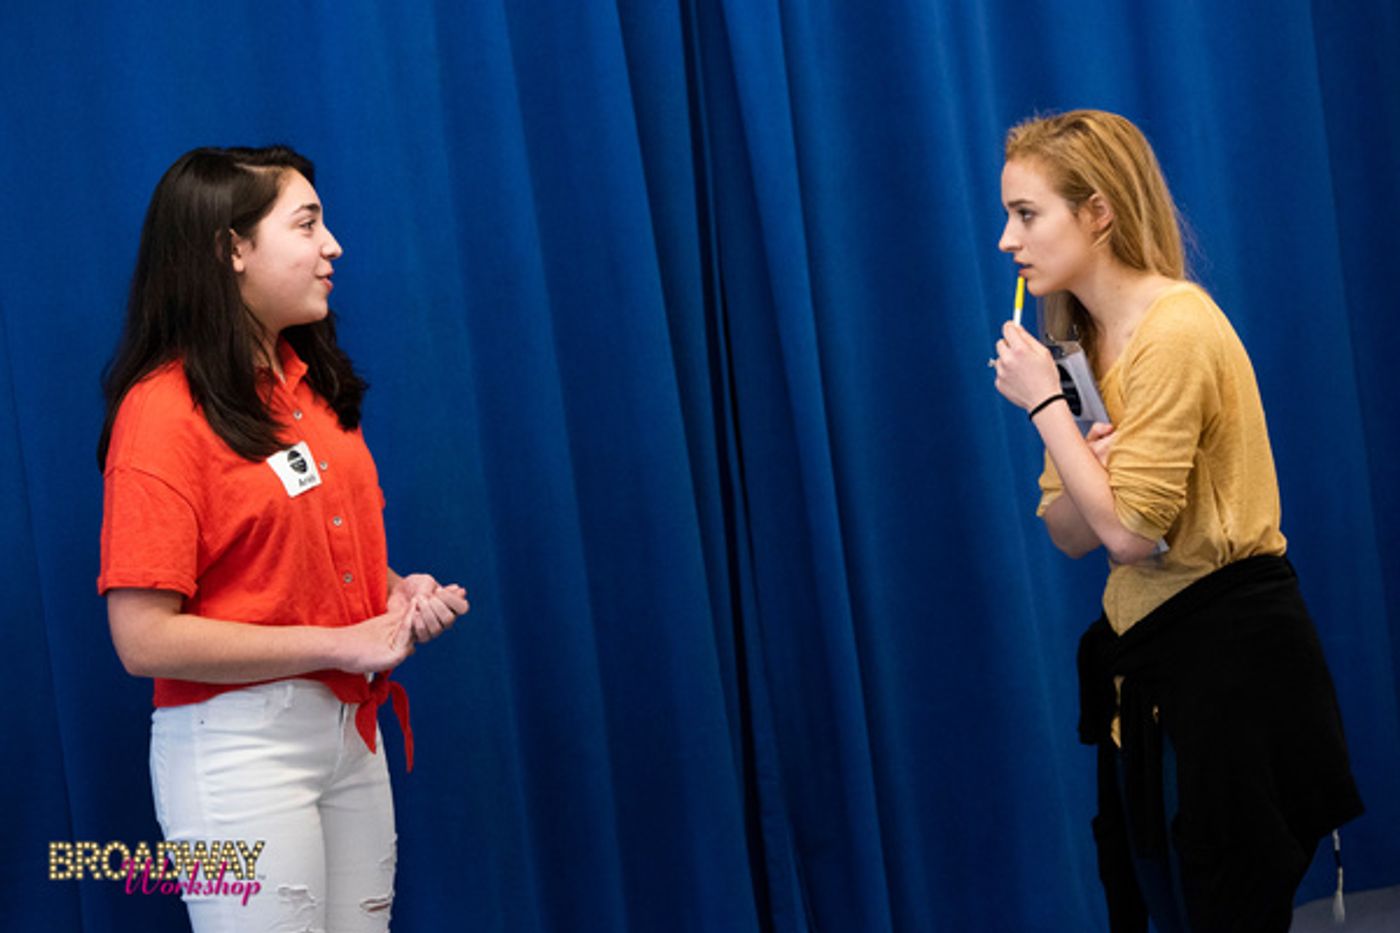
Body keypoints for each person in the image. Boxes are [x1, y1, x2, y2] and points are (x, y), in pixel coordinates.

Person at [989, 110, 1362, 931]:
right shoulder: (1077, 345)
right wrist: (1086, 456)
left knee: (1220, 904)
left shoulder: (1176, 329)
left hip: (1227, 672)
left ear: (1098, 213)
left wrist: (1047, 408)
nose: (1009, 240)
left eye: (1027, 213)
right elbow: (1069, 529)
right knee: (1163, 901)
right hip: (1150, 678)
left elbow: (1130, 536)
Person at [97, 145, 470, 933]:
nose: (332, 245)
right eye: (307, 224)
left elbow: (289, 558)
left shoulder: (313, 385)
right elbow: (142, 640)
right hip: (234, 752)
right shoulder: (161, 413)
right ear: (231, 249)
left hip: (351, 736)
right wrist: (341, 642)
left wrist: (394, 591)